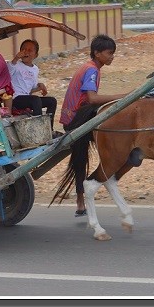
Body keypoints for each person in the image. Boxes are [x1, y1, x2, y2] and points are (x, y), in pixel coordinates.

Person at [59, 34, 128, 217]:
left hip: (75, 116)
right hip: (75, 120)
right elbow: (92, 99)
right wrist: (122, 96)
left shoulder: (91, 67)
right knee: (82, 159)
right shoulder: (92, 70)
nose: (112, 56)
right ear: (97, 53)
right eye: (109, 53)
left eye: (113, 53)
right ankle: (85, 197)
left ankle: (87, 195)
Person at [8, 39, 57, 129]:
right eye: (23, 49)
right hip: (16, 99)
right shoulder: (16, 65)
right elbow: (9, 70)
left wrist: (40, 86)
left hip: (27, 98)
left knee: (52, 101)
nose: (26, 52)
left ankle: (50, 129)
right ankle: (38, 128)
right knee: (35, 100)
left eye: (30, 50)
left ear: (36, 55)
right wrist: (16, 58)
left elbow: (31, 88)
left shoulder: (35, 69)